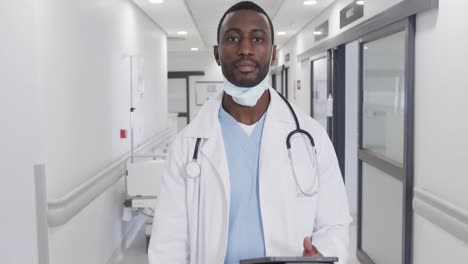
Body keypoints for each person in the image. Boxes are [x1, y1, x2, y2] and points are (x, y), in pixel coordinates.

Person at [148, 1, 351, 264]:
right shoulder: (187, 145)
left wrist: (323, 253)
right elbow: (168, 244)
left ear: (273, 53)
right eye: (233, 38)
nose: (245, 49)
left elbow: (335, 223)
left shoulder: (312, 138)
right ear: (217, 54)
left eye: (257, 38)